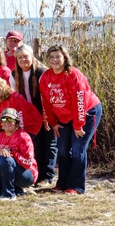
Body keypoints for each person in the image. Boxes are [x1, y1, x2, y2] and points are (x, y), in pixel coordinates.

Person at [40, 44, 102, 195]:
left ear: (64, 58)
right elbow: (46, 103)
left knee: (77, 149)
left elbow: (79, 101)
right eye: (51, 57)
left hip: (86, 113)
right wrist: (53, 123)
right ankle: (62, 183)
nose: (55, 60)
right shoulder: (46, 77)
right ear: (48, 59)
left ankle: (76, 186)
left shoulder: (73, 75)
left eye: (58, 56)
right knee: (62, 149)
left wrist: (78, 124)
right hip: (64, 117)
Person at [11, 44, 57, 186]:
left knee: (49, 144)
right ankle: (38, 175)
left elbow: (50, 96)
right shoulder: (14, 75)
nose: (23, 60)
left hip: (47, 112)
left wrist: (47, 116)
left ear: (32, 56)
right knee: (35, 144)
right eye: (20, 57)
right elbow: (16, 98)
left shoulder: (42, 72)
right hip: (29, 116)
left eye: (25, 56)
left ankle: (48, 176)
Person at [0, 108, 37, 200]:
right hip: (4, 173)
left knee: (5, 158)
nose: (7, 122)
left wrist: (11, 152)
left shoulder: (23, 136)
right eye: (4, 119)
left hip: (26, 174)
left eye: (11, 119)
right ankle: (18, 191)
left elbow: (28, 162)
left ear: (16, 123)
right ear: (1, 123)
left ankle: (9, 194)